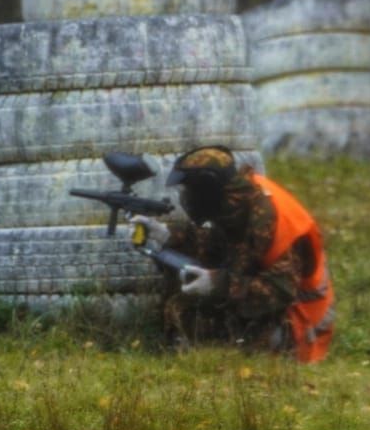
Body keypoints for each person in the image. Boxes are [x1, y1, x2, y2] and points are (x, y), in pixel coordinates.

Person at [131, 146, 334, 362]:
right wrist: (167, 235)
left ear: (208, 189)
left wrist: (218, 284)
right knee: (181, 305)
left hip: (299, 325)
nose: (186, 198)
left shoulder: (268, 220)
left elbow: (279, 291)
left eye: (190, 191)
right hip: (272, 311)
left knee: (187, 313)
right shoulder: (237, 202)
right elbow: (221, 245)